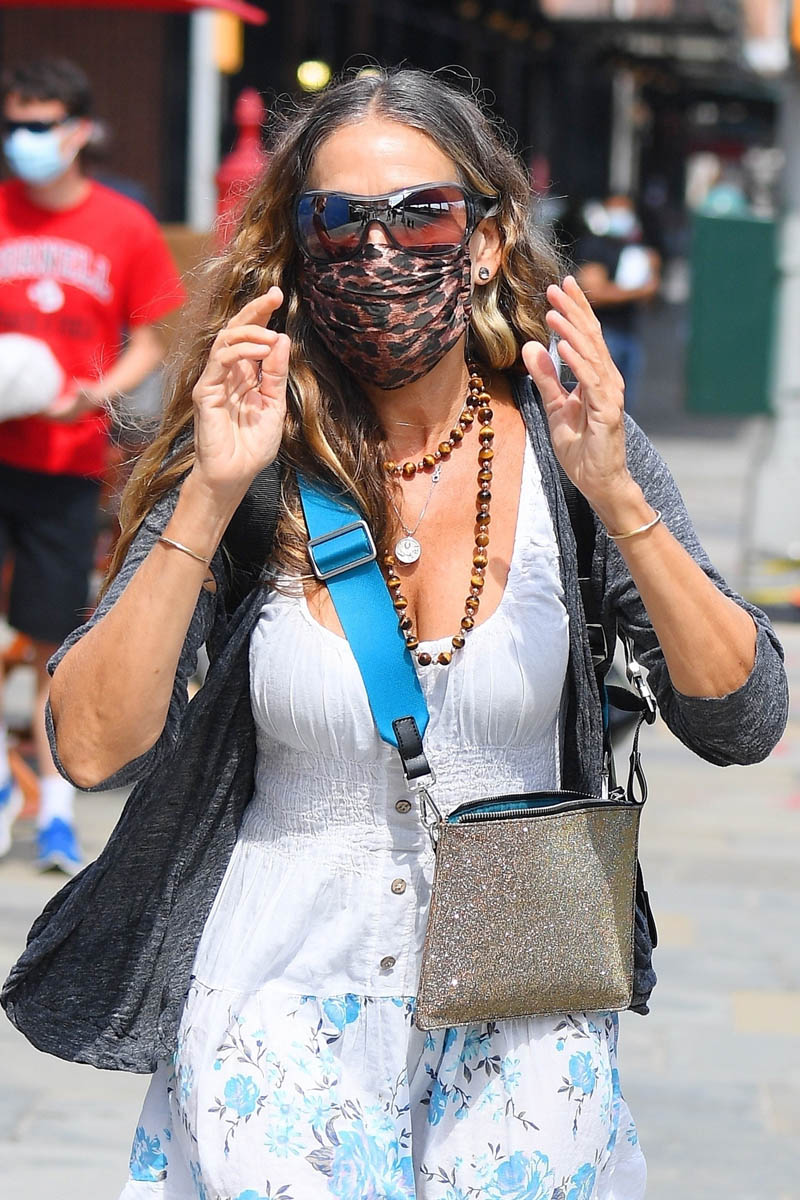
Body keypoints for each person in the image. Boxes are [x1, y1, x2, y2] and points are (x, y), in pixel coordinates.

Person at [4, 69, 788, 1199]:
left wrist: (616, 494)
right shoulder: (250, 458)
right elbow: (90, 747)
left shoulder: (566, 446)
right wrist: (209, 495)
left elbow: (742, 719)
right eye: (339, 218)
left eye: (421, 213)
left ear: (487, 238)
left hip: (523, 1009)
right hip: (275, 1010)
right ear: (299, 244)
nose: (379, 249)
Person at [0, 58, 185, 872]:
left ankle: (54, 806)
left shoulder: (124, 224)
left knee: (49, 634)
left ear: (78, 130)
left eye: (40, 125)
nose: (24, 139)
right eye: (15, 123)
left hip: (68, 458)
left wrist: (94, 394)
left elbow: (151, 337)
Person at [573, 194, 661, 414]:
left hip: (630, 333)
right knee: (598, 404)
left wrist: (652, 271)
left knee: (624, 409)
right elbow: (594, 293)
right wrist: (638, 291)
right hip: (603, 334)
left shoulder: (634, 248)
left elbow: (649, 299)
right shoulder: (595, 246)